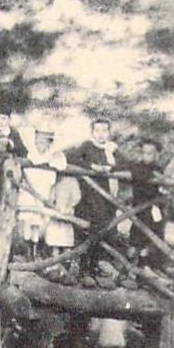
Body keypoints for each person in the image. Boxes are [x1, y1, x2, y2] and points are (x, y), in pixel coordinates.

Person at [72, 117, 131, 277]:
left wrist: (110, 168)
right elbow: (73, 159)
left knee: (106, 228)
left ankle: (100, 266)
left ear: (109, 133)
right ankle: (84, 267)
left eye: (104, 130)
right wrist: (91, 167)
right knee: (88, 228)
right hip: (88, 196)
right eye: (97, 130)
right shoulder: (87, 146)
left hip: (107, 197)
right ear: (92, 132)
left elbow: (127, 164)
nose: (101, 134)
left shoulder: (112, 149)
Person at [19, 124, 67, 258]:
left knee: (38, 223)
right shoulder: (31, 154)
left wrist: (52, 159)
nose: (39, 145)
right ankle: (28, 250)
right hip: (29, 191)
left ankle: (35, 249)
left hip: (43, 192)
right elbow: (28, 167)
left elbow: (61, 165)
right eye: (37, 142)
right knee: (28, 220)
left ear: (49, 144)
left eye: (42, 142)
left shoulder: (54, 156)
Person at [125, 138, 167, 266]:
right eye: (144, 152)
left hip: (155, 209)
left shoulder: (159, 169)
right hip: (140, 209)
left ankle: (143, 269)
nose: (146, 156)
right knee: (136, 240)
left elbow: (163, 188)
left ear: (157, 155)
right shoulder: (136, 166)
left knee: (150, 241)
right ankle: (126, 270)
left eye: (150, 153)